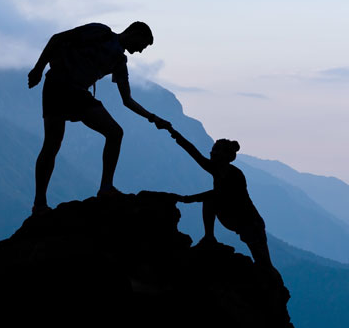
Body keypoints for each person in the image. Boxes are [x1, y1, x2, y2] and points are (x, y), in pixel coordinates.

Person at [28, 22, 169, 214]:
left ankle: (40, 205)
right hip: (63, 85)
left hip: (59, 86)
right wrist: (37, 69)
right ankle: (104, 188)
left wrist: (153, 118)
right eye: (141, 45)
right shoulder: (100, 32)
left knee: (53, 145)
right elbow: (57, 38)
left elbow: (127, 100)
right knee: (110, 134)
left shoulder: (119, 61)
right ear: (134, 32)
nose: (140, 52)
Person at [166, 127, 273, 270]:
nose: (211, 152)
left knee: (264, 263)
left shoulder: (235, 175)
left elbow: (216, 194)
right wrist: (173, 132)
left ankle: (269, 282)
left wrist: (186, 199)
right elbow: (192, 151)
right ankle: (209, 237)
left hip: (250, 222)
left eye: (216, 150)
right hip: (236, 218)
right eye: (213, 149)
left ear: (224, 155)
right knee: (210, 202)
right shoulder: (217, 168)